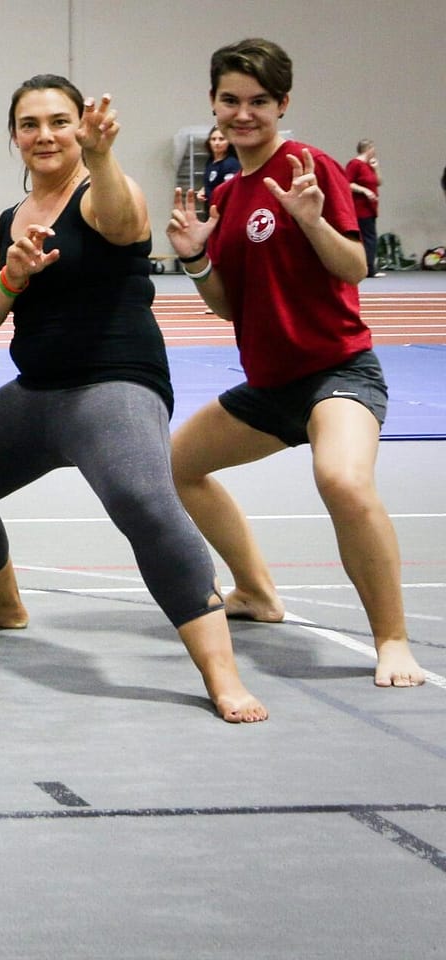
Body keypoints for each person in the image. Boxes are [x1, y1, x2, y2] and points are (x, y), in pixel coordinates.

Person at [0, 76, 268, 723]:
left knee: (143, 498)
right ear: (14, 136)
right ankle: (2, 603)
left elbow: (124, 220)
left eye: (59, 120)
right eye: (30, 124)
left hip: (114, 386)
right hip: (37, 394)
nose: (45, 135)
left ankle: (222, 674)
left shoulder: (104, 193)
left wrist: (104, 159)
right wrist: (12, 275)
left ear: (82, 128)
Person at [166, 38, 426, 688]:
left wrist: (312, 222)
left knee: (341, 480)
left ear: (283, 103)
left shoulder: (309, 166)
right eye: (231, 100)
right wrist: (196, 258)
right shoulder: (226, 193)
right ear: (213, 104)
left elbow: (355, 267)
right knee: (179, 465)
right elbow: (231, 307)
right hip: (270, 386)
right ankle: (256, 592)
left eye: (258, 101)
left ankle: (392, 640)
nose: (244, 113)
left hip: (338, 371)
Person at [345, 139, 382, 277]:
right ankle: (368, 268)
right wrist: (364, 191)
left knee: (370, 237)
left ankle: (369, 266)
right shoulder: (355, 164)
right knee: (368, 238)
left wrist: (376, 168)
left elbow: (378, 182)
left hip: (371, 208)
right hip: (360, 208)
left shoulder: (368, 166)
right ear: (368, 149)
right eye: (373, 149)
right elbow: (347, 183)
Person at [202, 127, 241, 209]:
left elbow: (230, 191)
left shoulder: (231, 164)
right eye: (213, 139)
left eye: (221, 139)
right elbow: (211, 183)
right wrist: (203, 190)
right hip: (210, 209)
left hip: (223, 211)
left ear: (229, 142)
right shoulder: (210, 161)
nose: (217, 143)